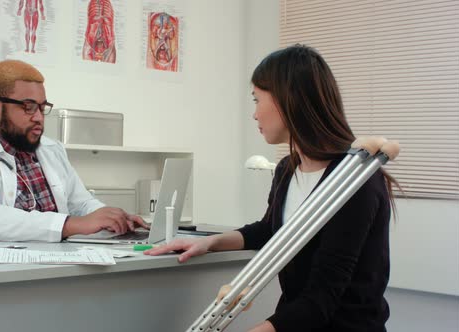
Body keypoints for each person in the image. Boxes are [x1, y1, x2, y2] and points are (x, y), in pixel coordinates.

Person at [145, 45, 397, 332]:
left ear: (288, 101)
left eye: (257, 100)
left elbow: (321, 301)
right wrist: (209, 243)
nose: (254, 115)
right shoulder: (288, 169)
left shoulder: (355, 181)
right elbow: (273, 231)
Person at [0, 59, 147, 242]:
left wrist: (109, 217)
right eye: (28, 107)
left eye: (42, 107)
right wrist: (70, 225)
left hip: (53, 266)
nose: (39, 117)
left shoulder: (52, 150)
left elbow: (81, 203)